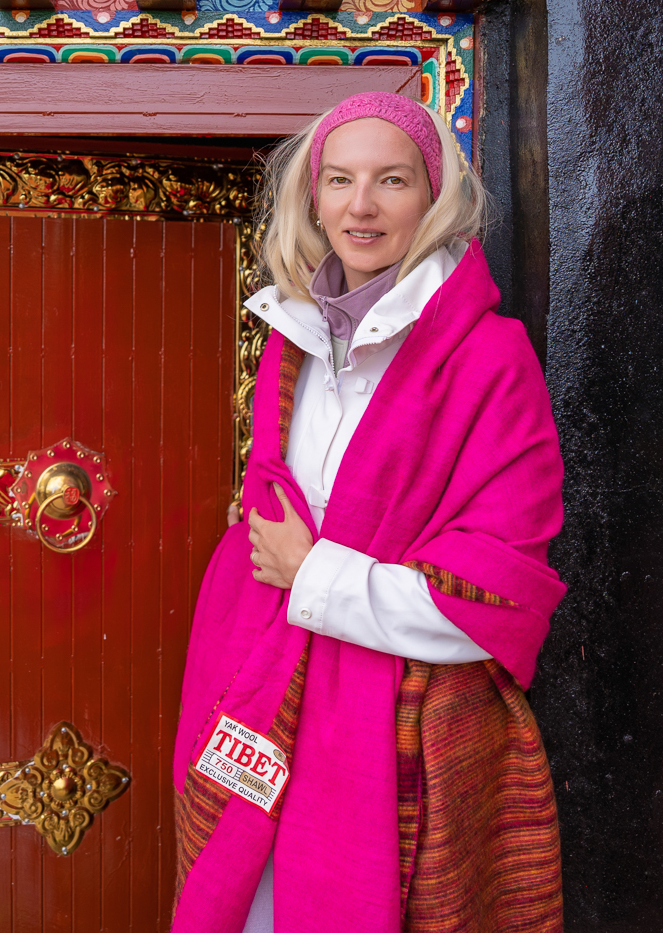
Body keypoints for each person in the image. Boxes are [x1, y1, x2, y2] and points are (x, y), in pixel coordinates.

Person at [172, 92, 567, 933]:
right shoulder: (292, 339)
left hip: (396, 720)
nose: (362, 206)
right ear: (313, 198)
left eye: (392, 180)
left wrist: (313, 572)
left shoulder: (490, 358)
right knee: (245, 898)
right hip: (262, 673)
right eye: (340, 180)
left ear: (434, 197)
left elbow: (500, 597)